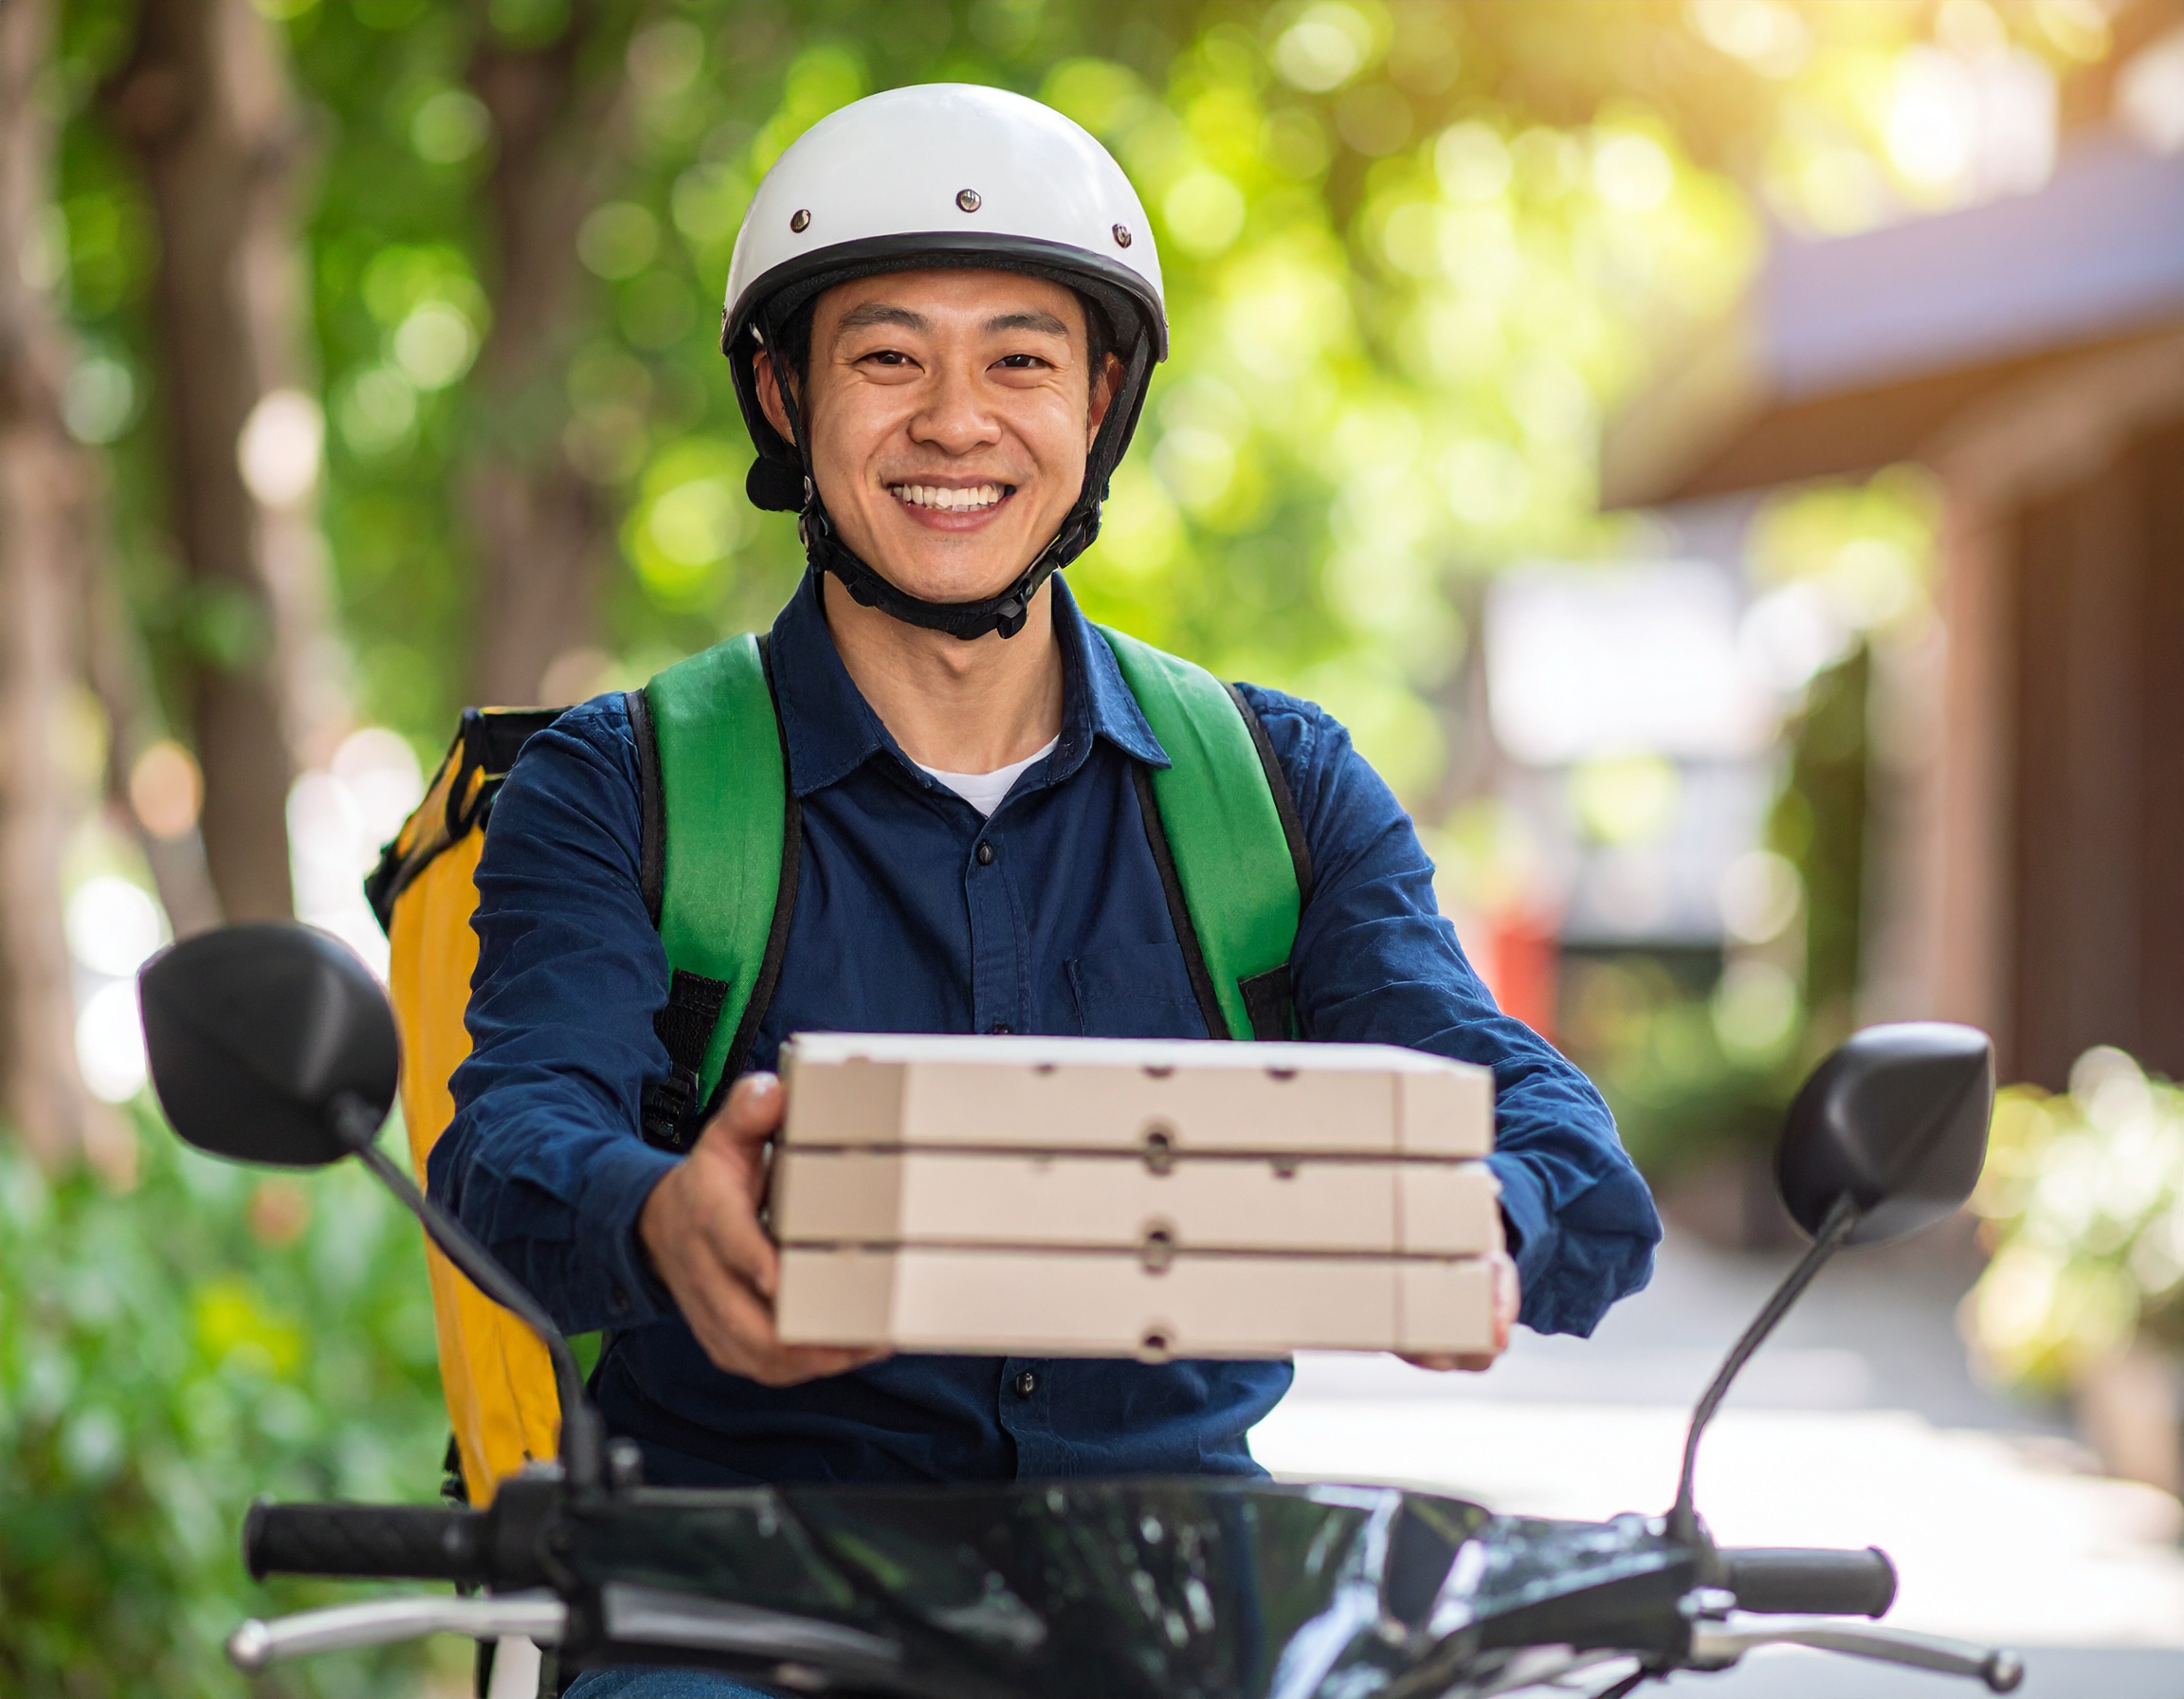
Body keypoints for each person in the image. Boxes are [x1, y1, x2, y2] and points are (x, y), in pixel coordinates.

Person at [434, 83, 1659, 1695]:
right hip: (733, 1596)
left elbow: (1554, 1137)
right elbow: (506, 1145)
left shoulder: (1277, 792)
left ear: (1101, 402)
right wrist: (657, 1218)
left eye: (1019, 358)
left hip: (1180, 1596)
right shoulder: (624, 783)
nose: (957, 420)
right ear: (783, 395)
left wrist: (1482, 1223)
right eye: (888, 357)